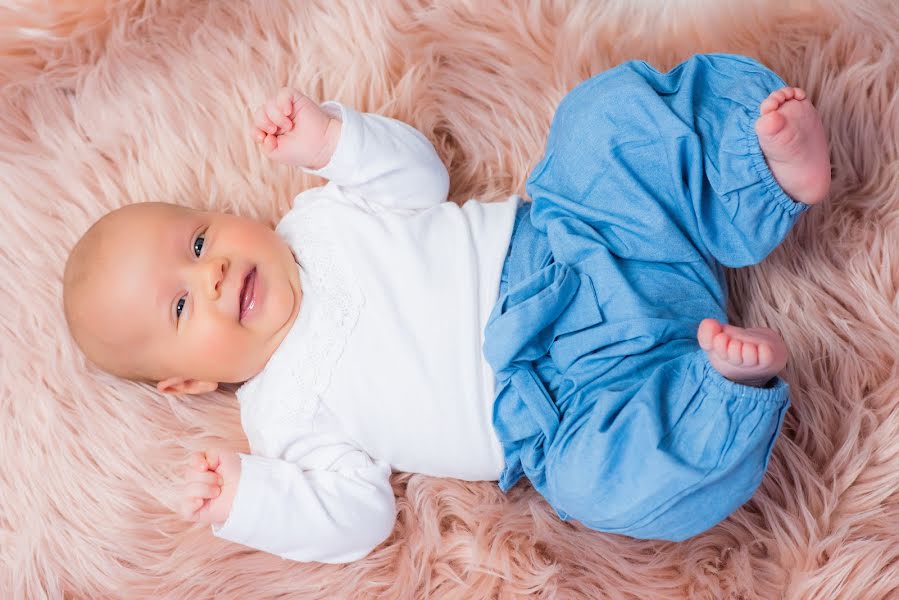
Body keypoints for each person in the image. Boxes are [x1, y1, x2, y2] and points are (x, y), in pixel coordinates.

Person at [62, 53, 830, 563]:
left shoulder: (317, 221)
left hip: (572, 244)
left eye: (197, 244)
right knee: (602, 488)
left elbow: (417, 182)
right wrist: (245, 499)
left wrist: (332, 139)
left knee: (597, 125)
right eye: (180, 308)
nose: (216, 273)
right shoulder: (284, 420)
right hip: (565, 403)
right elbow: (357, 520)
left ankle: (757, 169)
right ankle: (716, 394)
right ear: (188, 383)